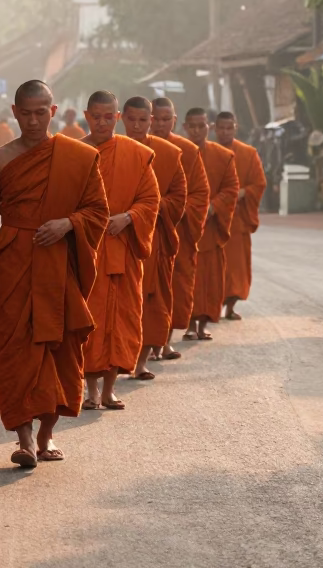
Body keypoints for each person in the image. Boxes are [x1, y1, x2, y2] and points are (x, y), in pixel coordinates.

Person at [0, 79, 108, 468]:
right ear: (14, 113)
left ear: (52, 112)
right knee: (15, 348)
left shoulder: (77, 157)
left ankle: (47, 434)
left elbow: (97, 210)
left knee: (59, 345)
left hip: (58, 263)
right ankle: (24, 438)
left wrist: (68, 224)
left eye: (41, 113)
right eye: (25, 113)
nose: (33, 121)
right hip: (14, 260)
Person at [80, 91, 160, 409]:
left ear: (117, 118)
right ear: (87, 116)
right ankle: (90, 391)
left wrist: (128, 218)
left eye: (107, 116)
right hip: (86, 251)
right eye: (95, 116)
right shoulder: (74, 151)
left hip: (123, 248)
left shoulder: (136, 154)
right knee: (89, 319)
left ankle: (110, 389)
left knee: (121, 318)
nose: (101, 122)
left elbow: (150, 199)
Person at [122, 97, 187, 380]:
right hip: (116, 235)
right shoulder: (107, 149)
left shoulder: (169, 154)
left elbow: (179, 197)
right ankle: (115, 359)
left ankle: (141, 362)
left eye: (143, 120)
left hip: (153, 236)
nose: (137, 126)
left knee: (152, 299)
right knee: (117, 300)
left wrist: (152, 205)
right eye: (132, 120)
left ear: (151, 121)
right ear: (122, 119)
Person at [149, 97, 210, 358]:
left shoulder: (187, 150)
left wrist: (175, 208)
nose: (161, 124)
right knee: (146, 287)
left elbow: (200, 193)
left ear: (174, 121)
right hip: (144, 228)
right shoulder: (137, 147)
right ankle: (145, 343)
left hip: (176, 229)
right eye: (156, 119)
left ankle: (165, 340)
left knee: (175, 284)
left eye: (166, 120)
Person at [182, 107, 239, 341]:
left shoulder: (224, 157)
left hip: (211, 227)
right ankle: (188, 323)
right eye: (192, 126)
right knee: (186, 277)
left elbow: (231, 188)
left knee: (209, 277)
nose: (197, 130)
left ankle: (203, 323)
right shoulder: (177, 152)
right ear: (185, 127)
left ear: (209, 127)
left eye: (201, 125)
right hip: (184, 225)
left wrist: (213, 206)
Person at [216, 111, 267, 319]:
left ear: (235, 127)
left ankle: (230, 307)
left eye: (230, 128)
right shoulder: (205, 151)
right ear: (215, 128)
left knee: (236, 266)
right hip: (214, 218)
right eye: (222, 128)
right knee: (214, 265)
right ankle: (211, 306)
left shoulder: (248, 153)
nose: (226, 132)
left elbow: (259, 183)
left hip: (237, 220)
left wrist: (243, 192)